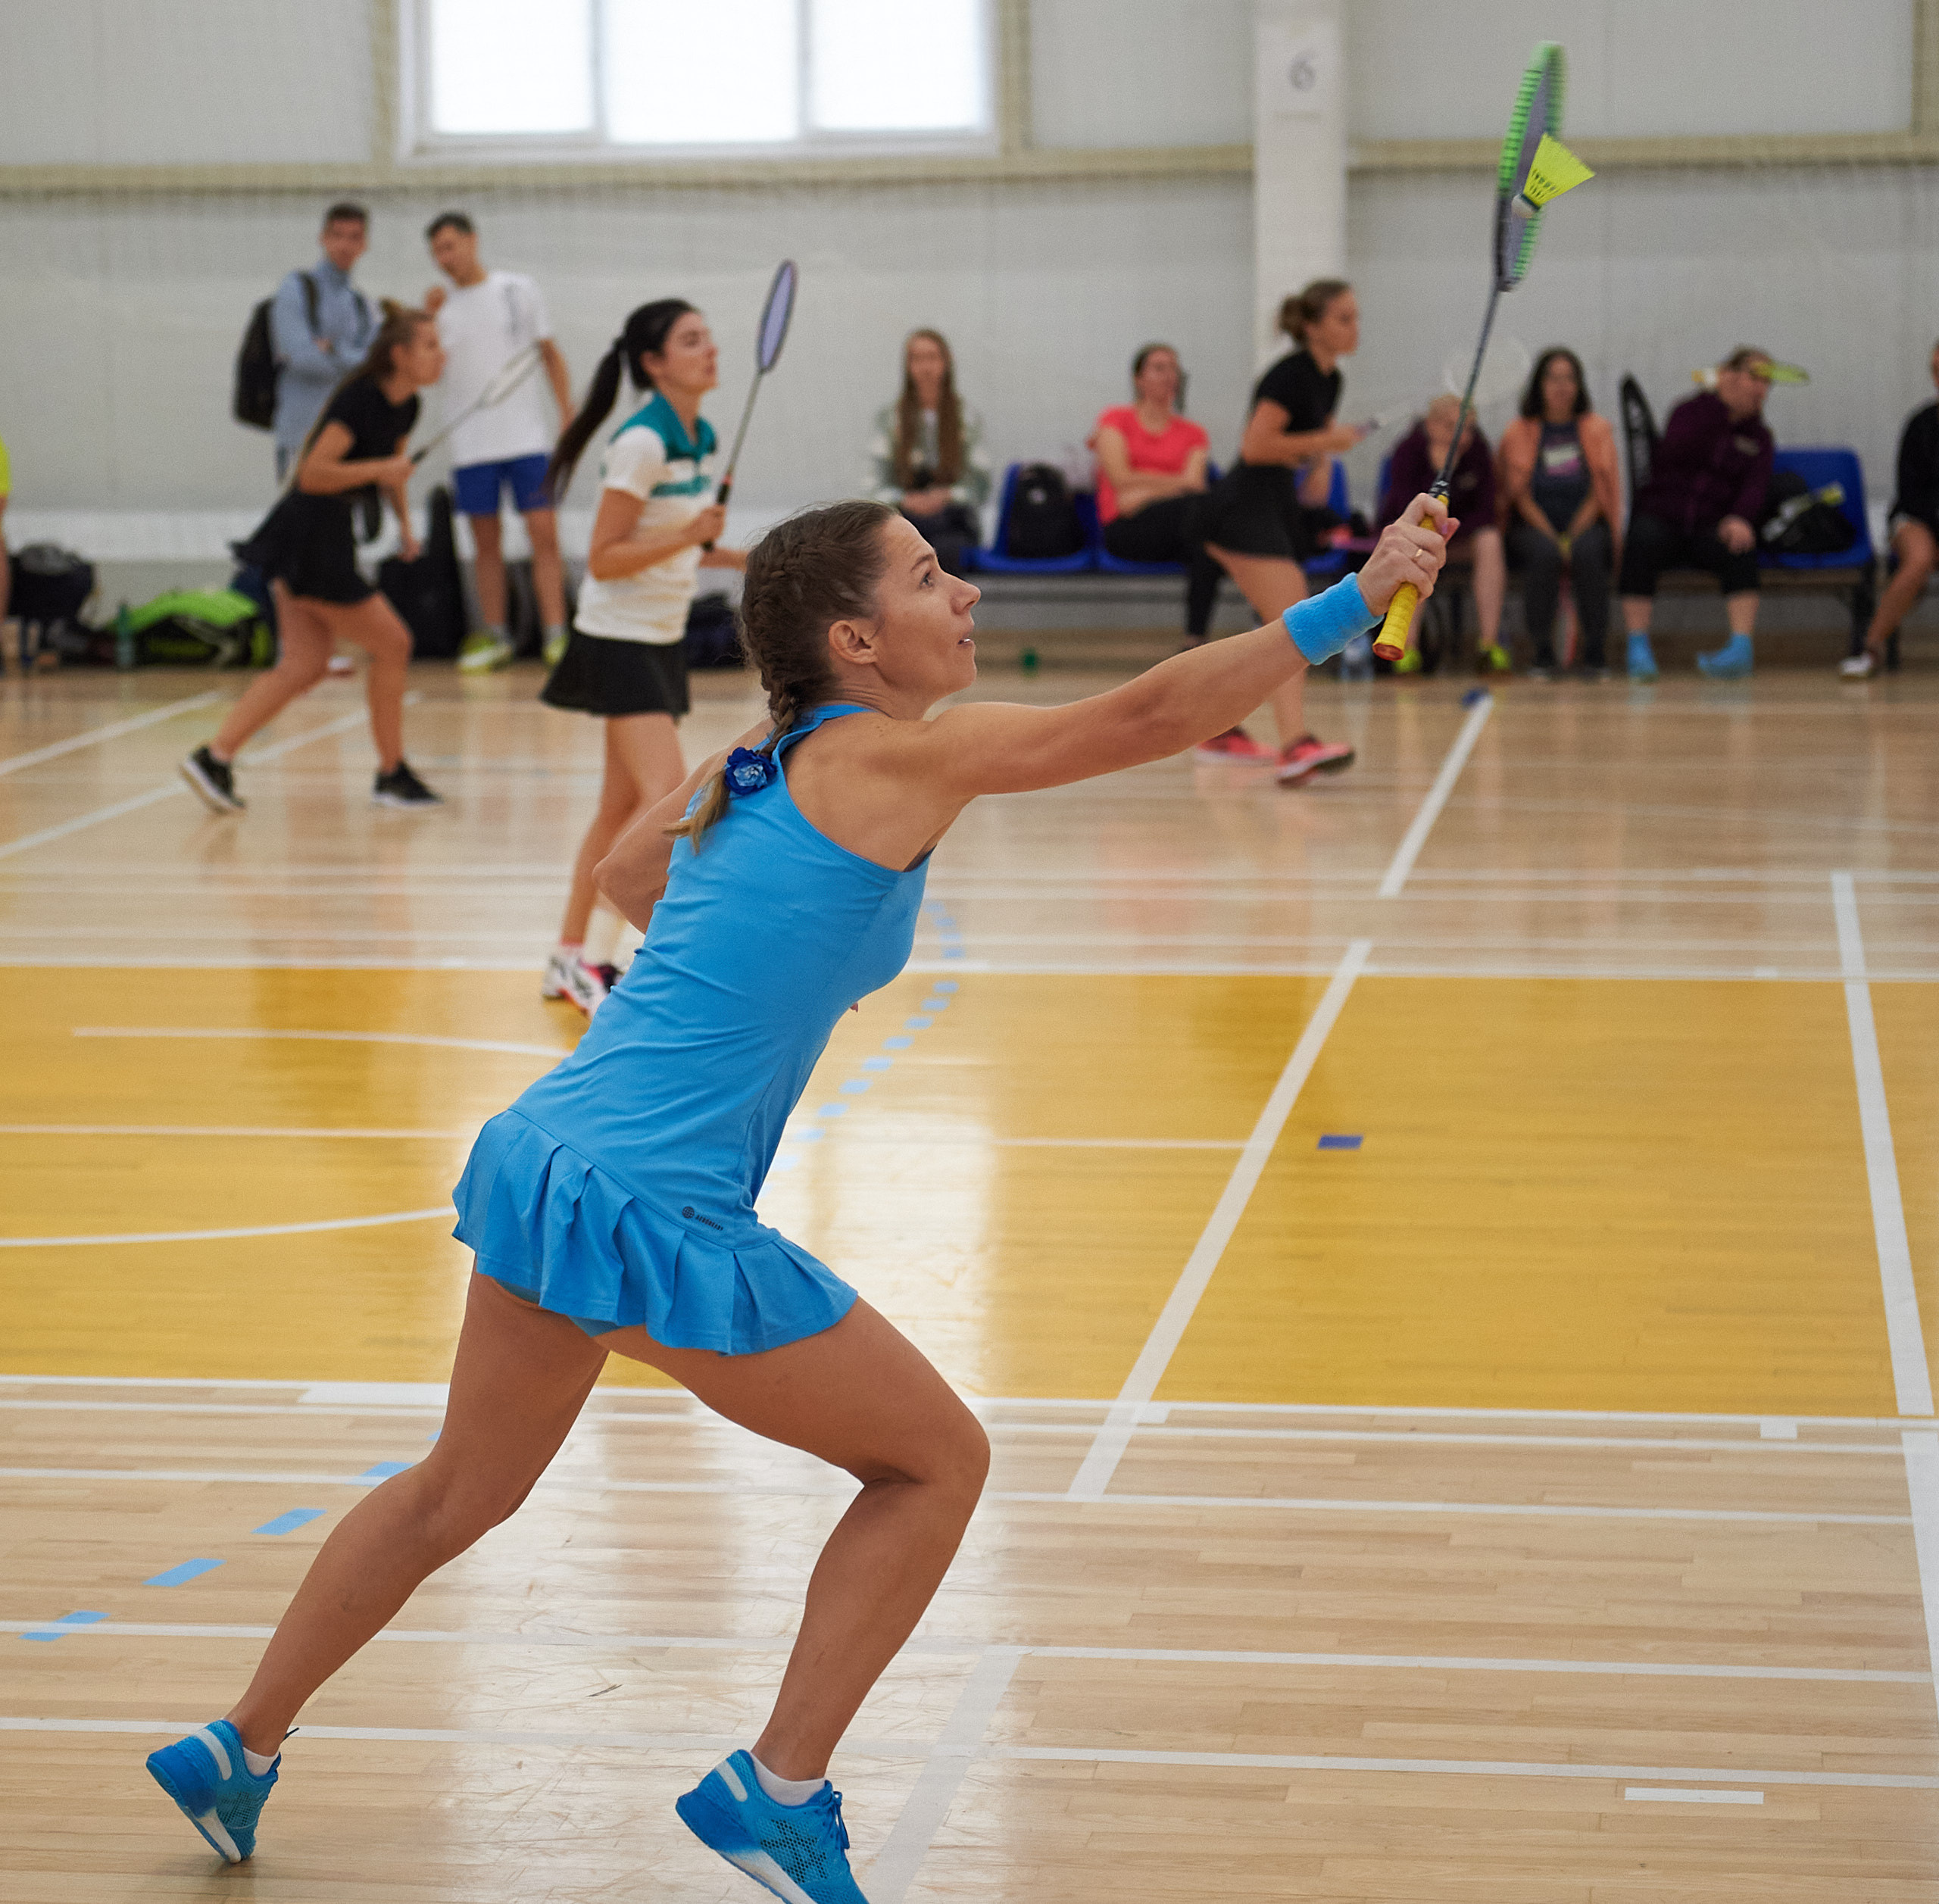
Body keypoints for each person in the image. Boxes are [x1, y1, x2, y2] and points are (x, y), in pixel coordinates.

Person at [141, 488, 1451, 1902]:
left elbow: (627, 871)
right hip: (651, 1199)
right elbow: (1136, 722)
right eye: (933, 578)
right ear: (856, 638)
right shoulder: (897, 760)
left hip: (551, 1154)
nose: (966, 598)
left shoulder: (762, 757)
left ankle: (238, 1740)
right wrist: (1354, 595)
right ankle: (777, 1785)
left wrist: (754, 947)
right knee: (936, 1463)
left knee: (456, 1488)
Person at [536, 299, 746, 1019]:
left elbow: (681, 539)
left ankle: (568, 957)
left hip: (658, 638)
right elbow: (605, 556)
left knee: (621, 807)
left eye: (709, 337)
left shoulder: (698, 433)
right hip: (618, 638)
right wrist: (692, 532)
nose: (709, 350)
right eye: (692, 341)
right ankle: (645, 964)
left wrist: (756, 557)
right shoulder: (643, 443)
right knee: (672, 803)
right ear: (654, 363)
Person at [181, 303, 445, 815]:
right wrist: (379, 470)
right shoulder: (362, 398)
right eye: (431, 346)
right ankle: (391, 773)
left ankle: (214, 758)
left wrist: (406, 528)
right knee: (393, 644)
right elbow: (314, 473)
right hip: (308, 533)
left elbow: (392, 471)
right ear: (400, 353)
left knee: (304, 664)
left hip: (324, 533)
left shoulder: (406, 406)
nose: (442, 356)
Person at [1194, 279, 1363, 783]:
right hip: (1240, 507)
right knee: (1295, 621)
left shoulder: (1330, 379)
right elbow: (1255, 446)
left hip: (1273, 506)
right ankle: (1294, 745)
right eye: (1343, 319)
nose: (1354, 329)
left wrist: (1320, 459)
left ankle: (1219, 729)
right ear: (1313, 327)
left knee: (1274, 631)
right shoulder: (1288, 376)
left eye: (1356, 318)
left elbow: (1307, 461)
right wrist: (1322, 440)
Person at [423, 212, 575, 674]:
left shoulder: (518, 290)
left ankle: (557, 636)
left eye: (452, 246)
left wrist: (570, 415)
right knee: (485, 545)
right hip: (472, 447)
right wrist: (427, 322)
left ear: (472, 240)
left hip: (527, 441)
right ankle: (496, 636)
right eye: (438, 252)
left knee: (544, 537)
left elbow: (549, 355)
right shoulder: (439, 310)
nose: (446, 258)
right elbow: (426, 373)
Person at [1620, 346, 1776, 682]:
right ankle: (1637, 644)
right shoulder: (1689, 412)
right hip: (1666, 516)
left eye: (1767, 383)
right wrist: (1722, 409)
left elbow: (1756, 486)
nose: (1760, 389)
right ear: (1728, 376)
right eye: (1754, 378)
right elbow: (1676, 451)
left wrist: (1740, 518)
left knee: (1741, 545)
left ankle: (1739, 647)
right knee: (1641, 539)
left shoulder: (1760, 437)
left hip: (1712, 525)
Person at [1497, 348, 1622, 678]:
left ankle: (1595, 652)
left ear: (1579, 386)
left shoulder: (1597, 429)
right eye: (1553, 378)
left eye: (1569, 378)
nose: (1561, 386)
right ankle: (1542, 652)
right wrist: (1553, 537)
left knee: (1590, 552)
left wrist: (1573, 534)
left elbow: (1601, 492)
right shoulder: (1518, 432)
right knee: (1543, 553)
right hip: (1535, 524)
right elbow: (1518, 496)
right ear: (1539, 384)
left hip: (1586, 522)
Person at [1090, 342, 1222, 639]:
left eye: (1174, 368)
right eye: (1159, 368)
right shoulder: (1115, 420)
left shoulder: (1194, 433)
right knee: (1205, 520)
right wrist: (1175, 483)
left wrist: (1143, 492)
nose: (1169, 376)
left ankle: (1194, 641)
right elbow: (1121, 479)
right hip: (1127, 529)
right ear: (1139, 379)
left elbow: (1195, 486)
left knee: (1208, 545)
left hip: (1176, 526)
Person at [1380, 395, 1507, 673]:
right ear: (1432, 425)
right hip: (1417, 539)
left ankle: (1489, 645)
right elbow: (1399, 510)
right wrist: (1438, 474)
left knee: (1491, 541)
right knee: (1416, 548)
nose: (1463, 436)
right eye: (1453, 427)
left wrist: (1450, 528)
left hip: (1459, 537)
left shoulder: (1478, 452)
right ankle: (1407, 650)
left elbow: (1487, 511)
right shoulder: (1408, 450)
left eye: (1469, 428)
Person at [1844, 338, 1939, 679]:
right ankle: (1871, 648)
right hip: (1918, 517)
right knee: (1918, 561)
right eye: (1936, 371)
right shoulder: (1922, 424)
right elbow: (1912, 493)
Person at [866, 329, 991, 576]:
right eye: (917, 359)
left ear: (946, 363)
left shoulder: (967, 419)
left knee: (946, 551)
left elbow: (980, 486)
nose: (926, 367)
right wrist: (905, 499)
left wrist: (946, 495)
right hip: (906, 519)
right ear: (908, 366)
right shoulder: (890, 419)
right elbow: (872, 487)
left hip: (952, 521)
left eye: (933, 358)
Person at [270, 203, 378, 482]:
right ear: (323, 238)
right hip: (301, 435)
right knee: (300, 523)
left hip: (349, 438)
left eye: (354, 237)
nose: (344, 245)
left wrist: (331, 348)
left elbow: (374, 365)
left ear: (364, 244)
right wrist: (351, 360)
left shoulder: (361, 305)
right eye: (337, 235)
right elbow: (300, 356)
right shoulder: (296, 288)